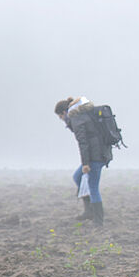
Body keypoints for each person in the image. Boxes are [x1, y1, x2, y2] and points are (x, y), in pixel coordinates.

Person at [54, 96, 111, 227]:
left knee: (93, 187)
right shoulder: (81, 116)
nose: (61, 120)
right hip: (97, 154)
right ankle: (89, 211)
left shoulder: (77, 120)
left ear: (64, 113)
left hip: (95, 157)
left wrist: (85, 164)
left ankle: (98, 220)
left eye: (60, 117)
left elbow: (83, 143)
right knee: (77, 177)